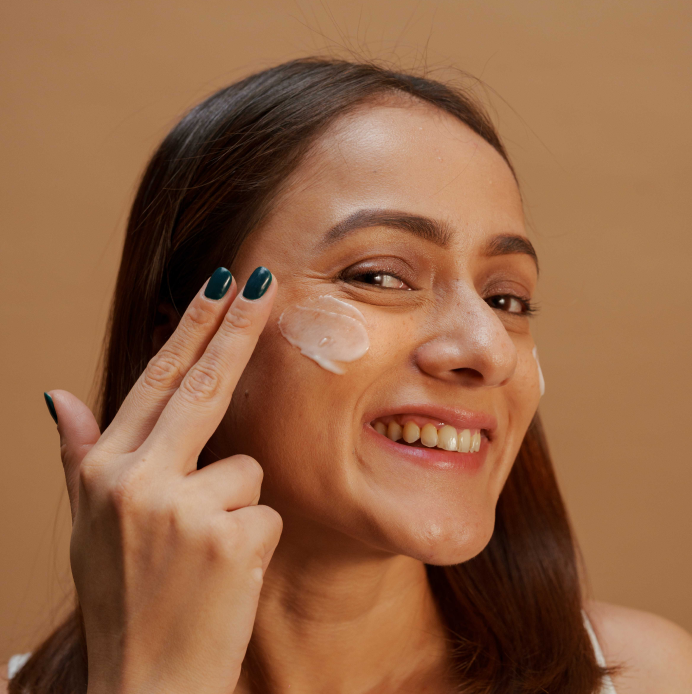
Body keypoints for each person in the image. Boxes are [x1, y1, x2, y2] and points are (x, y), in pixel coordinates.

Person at [5, 58, 692, 694]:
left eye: (505, 299)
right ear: (182, 336)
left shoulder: (648, 678)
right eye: (380, 277)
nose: (489, 348)